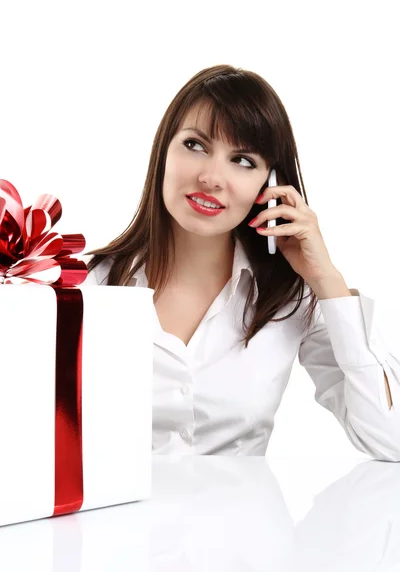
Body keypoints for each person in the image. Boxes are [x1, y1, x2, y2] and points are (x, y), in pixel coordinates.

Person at [82, 64, 400, 459]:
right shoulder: (86, 288)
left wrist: (327, 279)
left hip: (245, 521)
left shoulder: (291, 298)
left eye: (244, 161)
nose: (212, 178)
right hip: (113, 521)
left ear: (270, 185)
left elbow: (390, 438)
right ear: (164, 149)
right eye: (195, 145)